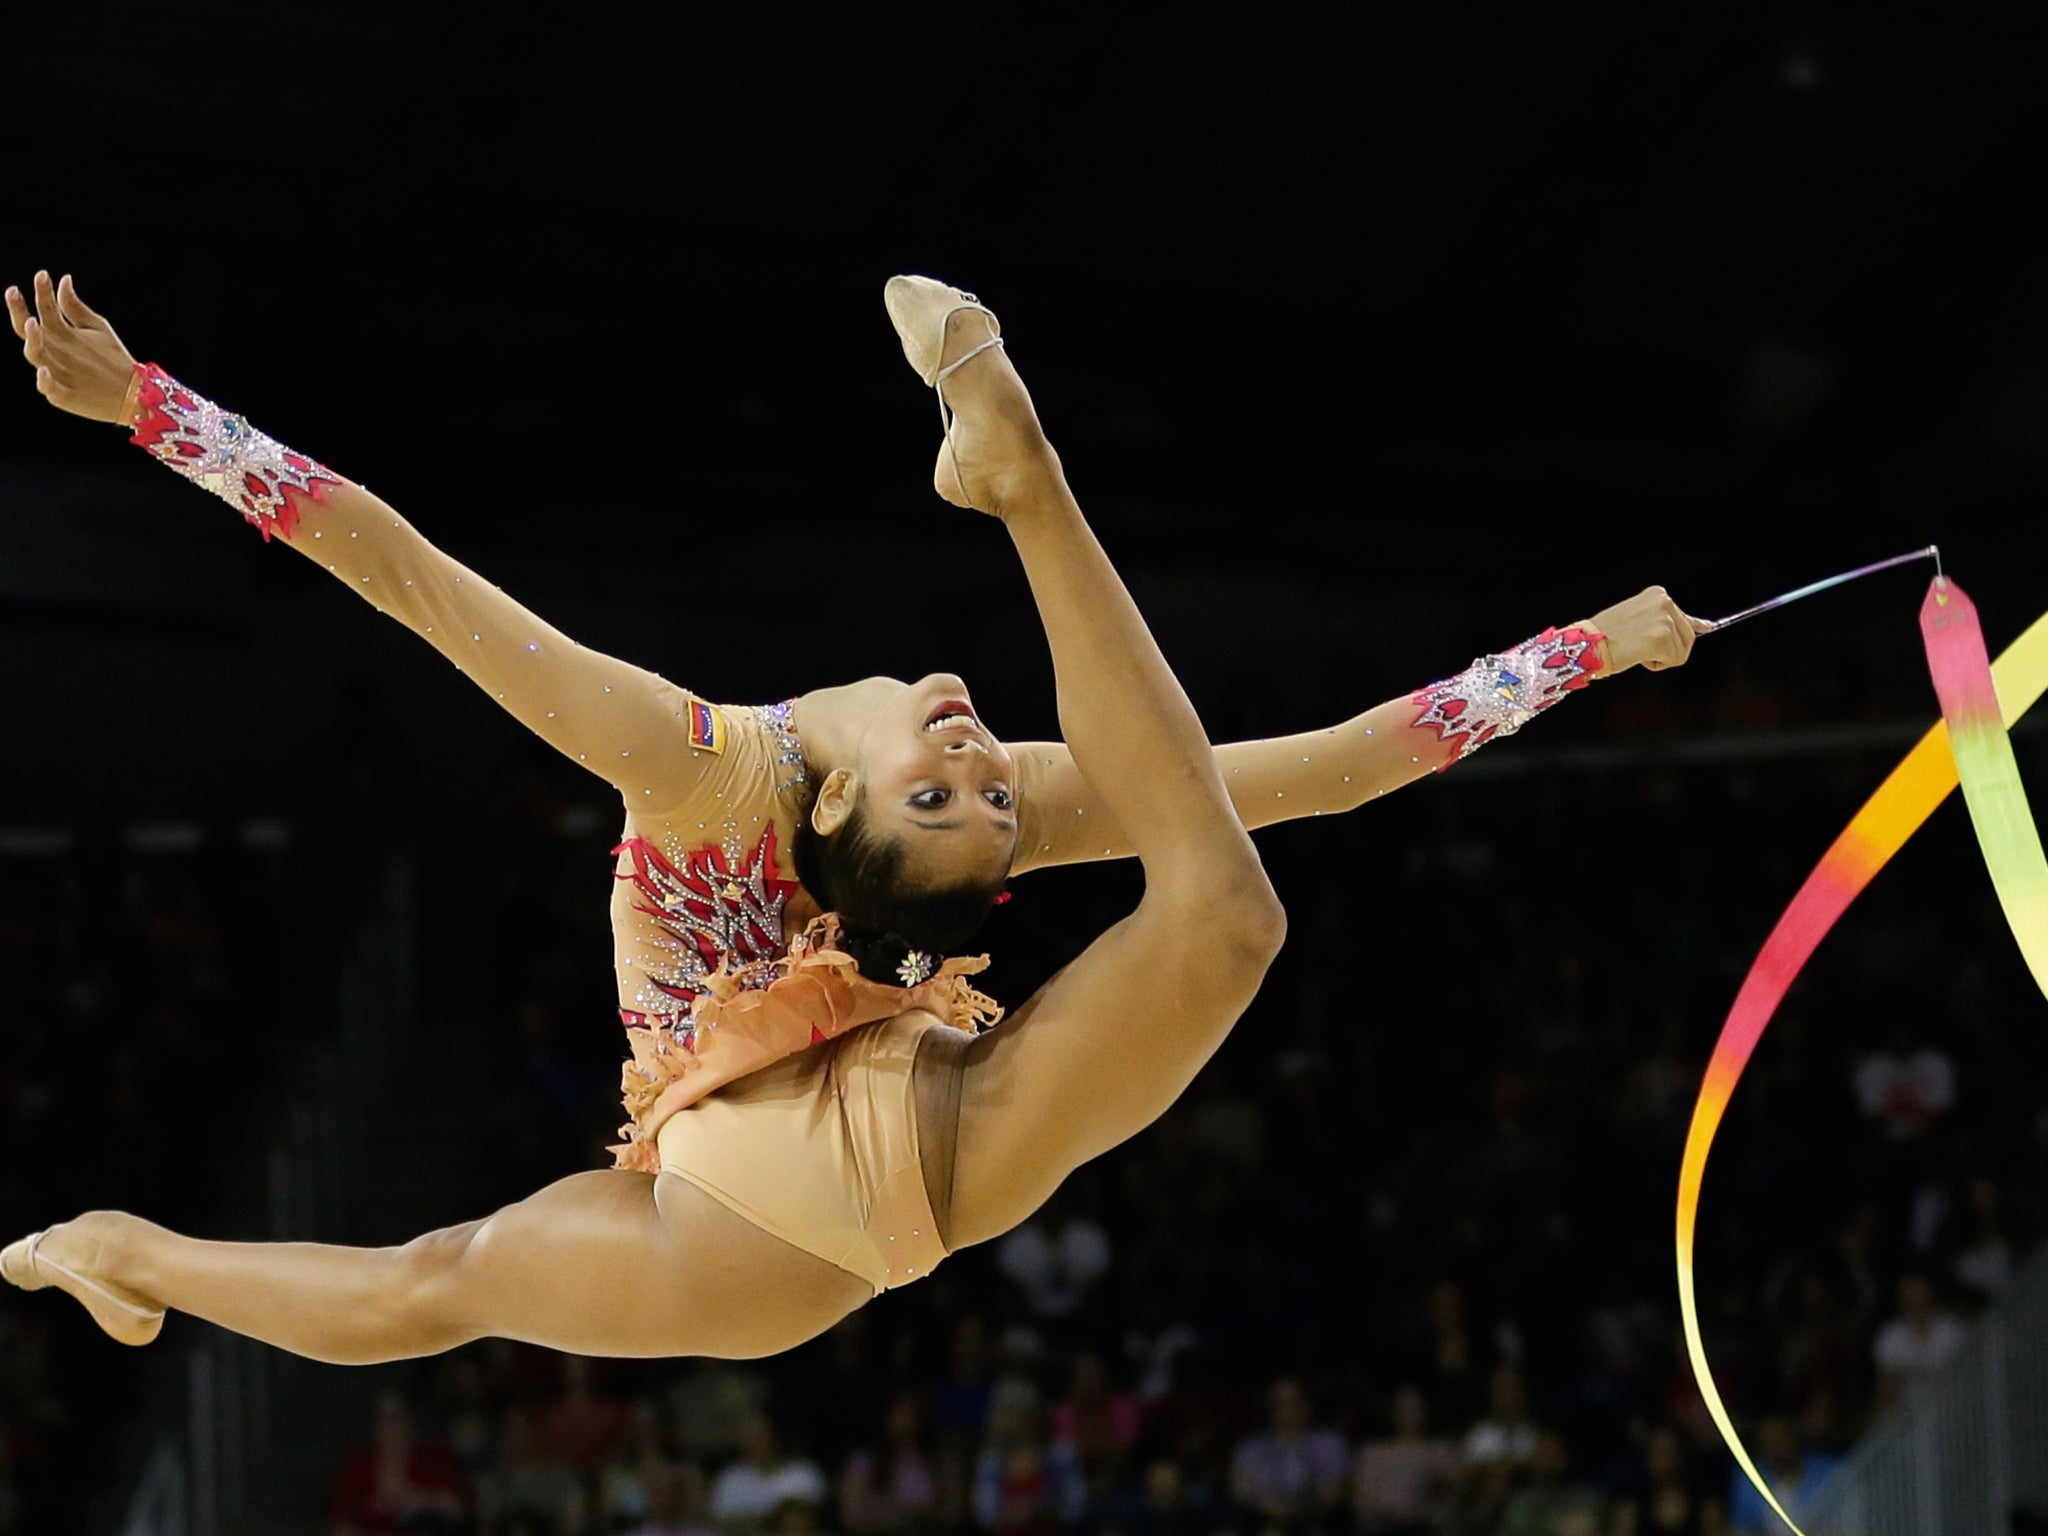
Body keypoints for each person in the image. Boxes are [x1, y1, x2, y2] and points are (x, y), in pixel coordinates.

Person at [2, 270, 1700, 1364]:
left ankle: (135, 1252)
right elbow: (1342, 758)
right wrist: (1583, 653)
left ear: (847, 814)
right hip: (818, 1191)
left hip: (798, 1182)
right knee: (1223, 894)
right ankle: (135, 1255)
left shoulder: (696, 764)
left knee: (432, 1286)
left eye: (951, 792)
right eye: (976, 792)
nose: (978, 757)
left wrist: (155, 408)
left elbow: (410, 577)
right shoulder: (920, 802)